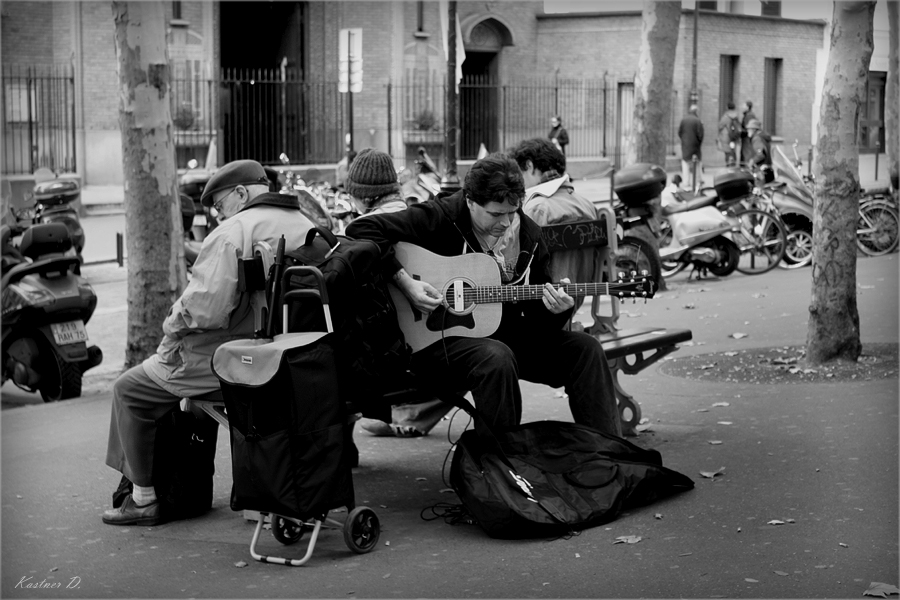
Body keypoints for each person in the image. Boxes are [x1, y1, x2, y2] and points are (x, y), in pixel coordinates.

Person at [345, 153, 622, 436]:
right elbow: (361, 229)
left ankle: (607, 454)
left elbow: (537, 324)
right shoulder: (440, 217)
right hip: (437, 341)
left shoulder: (528, 236)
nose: (505, 223)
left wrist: (557, 310)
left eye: (512, 212)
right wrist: (406, 282)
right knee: (495, 357)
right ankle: (499, 464)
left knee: (586, 349)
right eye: (495, 214)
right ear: (469, 201)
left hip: (505, 339)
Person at [102, 160, 316, 526]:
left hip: (241, 357)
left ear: (240, 193)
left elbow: (204, 310)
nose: (218, 215)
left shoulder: (233, 231)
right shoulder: (306, 223)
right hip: (299, 354)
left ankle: (144, 499)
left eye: (218, 206)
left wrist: (171, 323)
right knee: (195, 405)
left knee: (129, 390)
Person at [345, 148, 452, 438]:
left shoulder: (360, 230)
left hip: (384, 358)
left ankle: (343, 442)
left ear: (363, 197)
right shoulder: (420, 220)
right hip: (437, 343)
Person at [507, 137, 598, 310]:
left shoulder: (536, 208)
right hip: (573, 301)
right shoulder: (587, 205)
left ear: (529, 166)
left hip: (542, 308)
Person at [678, 104, 704, 192]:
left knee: (685, 163)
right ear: (696, 111)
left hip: (685, 145)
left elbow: (679, 132)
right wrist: (698, 143)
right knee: (697, 164)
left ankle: (686, 183)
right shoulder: (698, 121)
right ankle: (698, 181)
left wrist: (684, 140)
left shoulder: (683, 120)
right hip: (695, 145)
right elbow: (701, 135)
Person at [717, 102, 742, 167]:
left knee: (728, 152)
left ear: (727, 107)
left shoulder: (726, 116)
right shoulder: (736, 116)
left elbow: (720, 126)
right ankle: (733, 165)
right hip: (734, 137)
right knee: (733, 151)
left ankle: (729, 166)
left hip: (726, 137)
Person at [740, 100, 758, 166]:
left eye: (744, 105)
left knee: (746, 153)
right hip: (746, 137)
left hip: (747, 138)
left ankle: (746, 169)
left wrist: (741, 131)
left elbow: (749, 128)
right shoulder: (748, 114)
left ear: (747, 107)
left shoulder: (749, 115)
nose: (742, 107)